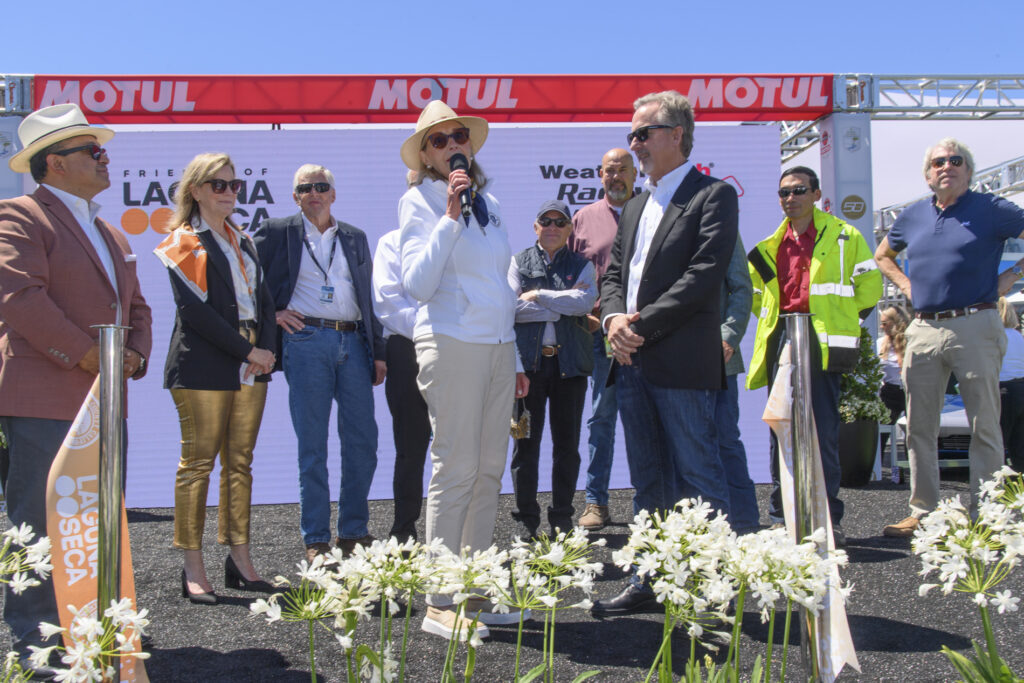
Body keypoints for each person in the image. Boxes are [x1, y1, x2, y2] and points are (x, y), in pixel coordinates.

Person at [0, 103, 152, 677]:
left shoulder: (110, 231)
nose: (104, 157)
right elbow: (20, 300)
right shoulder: (19, 216)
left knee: (97, 526)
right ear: (55, 163)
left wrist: (134, 355)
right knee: (39, 528)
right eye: (93, 150)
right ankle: (36, 650)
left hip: (104, 402)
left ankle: (94, 634)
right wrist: (91, 356)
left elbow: (137, 307)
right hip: (45, 399)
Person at [592, 90, 738, 617]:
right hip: (630, 361)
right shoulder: (634, 205)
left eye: (643, 133)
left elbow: (703, 276)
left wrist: (637, 326)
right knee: (649, 479)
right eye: (630, 135)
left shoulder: (713, 195)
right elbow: (614, 276)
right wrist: (613, 320)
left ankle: (712, 586)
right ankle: (650, 579)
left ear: (677, 134)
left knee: (699, 476)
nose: (634, 144)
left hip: (679, 361)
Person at [398, 100, 528, 640]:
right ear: (426, 157)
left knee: (490, 468)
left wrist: (515, 356)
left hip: (497, 347)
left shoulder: (490, 203)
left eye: (459, 136)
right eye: (439, 140)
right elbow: (416, 284)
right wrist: (450, 217)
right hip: (451, 342)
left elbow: (503, 284)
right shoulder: (419, 202)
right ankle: (439, 600)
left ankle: (474, 588)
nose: (453, 145)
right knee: (455, 468)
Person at [876, 138, 1024, 537]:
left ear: (969, 171)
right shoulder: (913, 215)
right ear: (928, 175)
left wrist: (1013, 275)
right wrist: (907, 286)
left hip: (977, 322)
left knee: (984, 423)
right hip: (923, 328)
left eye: (956, 161)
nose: (947, 166)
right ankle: (923, 511)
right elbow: (883, 255)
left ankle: (986, 515)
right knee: (918, 426)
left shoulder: (992, 209)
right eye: (938, 162)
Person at [154, 153, 277, 605]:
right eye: (218, 185)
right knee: (198, 465)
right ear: (196, 191)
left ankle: (240, 561)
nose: (229, 192)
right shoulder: (183, 241)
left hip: (251, 361)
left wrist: (266, 351)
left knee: (240, 463)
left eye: (234, 184)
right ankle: (193, 567)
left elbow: (265, 301)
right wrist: (249, 351)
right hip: (204, 364)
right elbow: (194, 313)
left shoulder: (243, 238)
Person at [253, 165, 386, 562]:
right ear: (295, 196)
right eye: (305, 187)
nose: (314, 192)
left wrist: (378, 350)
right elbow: (246, 279)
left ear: (333, 193)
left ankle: (353, 531)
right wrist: (272, 313)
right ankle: (316, 538)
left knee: (363, 441)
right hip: (306, 340)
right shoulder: (277, 231)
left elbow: (367, 296)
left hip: (354, 341)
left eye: (321, 186)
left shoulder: (355, 236)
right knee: (312, 445)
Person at [747, 166, 882, 548]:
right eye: (784, 192)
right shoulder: (769, 244)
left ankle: (827, 519)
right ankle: (780, 518)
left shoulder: (845, 236)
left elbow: (871, 286)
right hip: (782, 339)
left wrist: (843, 319)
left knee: (823, 431)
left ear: (816, 194)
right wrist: (774, 321)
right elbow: (754, 294)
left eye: (799, 190)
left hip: (823, 341)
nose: (790, 198)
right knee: (780, 426)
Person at [509, 199, 597, 539]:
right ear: (535, 227)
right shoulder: (517, 262)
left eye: (560, 222)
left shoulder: (582, 264)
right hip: (527, 369)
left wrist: (537, 295)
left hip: (569, 368)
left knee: (567, 447)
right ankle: (525, 521)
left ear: (569, 229)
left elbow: (585, 303)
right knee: (524, 445)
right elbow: (511, 309)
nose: (552, 227)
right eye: (545, 221)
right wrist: (563, 304)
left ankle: (561, 518)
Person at [569, 148, 637, 531]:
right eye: (610, 170)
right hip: (599, 335)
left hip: (644, 334)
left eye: (623, 169)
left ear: (635, 173)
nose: (616, 176)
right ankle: (596, 501)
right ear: (600, 175)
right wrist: (587, 316)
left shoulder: (651, 211)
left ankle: (653, 505)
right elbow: (570, 275)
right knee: (601, 418)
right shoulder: (583, 218)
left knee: (648, 419)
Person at [372, 225, 431, 543]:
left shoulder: (463, 235)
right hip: (407, 348)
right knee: (410, 446)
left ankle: (456, 530)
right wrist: (434, 329)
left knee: (458, 446)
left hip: (457, 347)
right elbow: (387, 302)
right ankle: (404, 529)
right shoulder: (391, 242)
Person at [717, 237, 758, 533]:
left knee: (725, 439)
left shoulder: (723, 226)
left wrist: (729, 336)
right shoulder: (655, 222)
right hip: (671, 358)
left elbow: (742, 287)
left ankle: (744, 524)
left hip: (719, 358)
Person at [877, 305, 910, 452]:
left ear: (895, 323)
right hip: (890, 391)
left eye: (885, 323)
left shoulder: (911, 341)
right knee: (882, 434)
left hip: (910, 390)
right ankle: (881, 464)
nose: (882, 327)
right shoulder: (881, 343)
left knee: (913, 435)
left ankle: (911, 464)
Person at [998, 298, 1024, 471]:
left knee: (998, 441)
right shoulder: (1017, 335)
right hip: (1021, 387)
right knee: (1019, 443)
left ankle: (995, 480)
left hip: (1003, 389)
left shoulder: (995, 336)